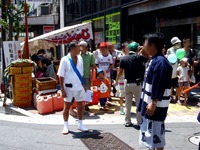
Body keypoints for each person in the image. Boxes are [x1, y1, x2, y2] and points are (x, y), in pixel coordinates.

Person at [138, 32, 172, 150]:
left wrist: (154, 103)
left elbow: (159, 85)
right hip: (150, 102)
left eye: (145, 43)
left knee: (157, 134)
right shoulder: (154, 59)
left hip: (155, 104)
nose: (143, 45)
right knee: (151, 133)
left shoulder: (160, 62)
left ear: (152, 45)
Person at [57, 41, 88, 135]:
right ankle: (66, 125)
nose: (80, 49)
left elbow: (81, 73)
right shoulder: (64, 59)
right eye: (78, 47)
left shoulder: (80, 58)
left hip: (79, 86)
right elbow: (60, 76)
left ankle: (80, 124)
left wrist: (83, 84)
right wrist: (62, 89)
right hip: (68, 87)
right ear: (72, 49)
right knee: (66, 107)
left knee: (80, 105)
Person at [116, 41, 148, 127]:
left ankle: (127, 121)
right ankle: (139, 121)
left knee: (128, 103)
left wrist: (116, 80)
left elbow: (120, 71)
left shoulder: (123, 58)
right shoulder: (139, 57)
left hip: (127, 83)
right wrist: (143, 51)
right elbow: (147, 58)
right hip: (137, 83)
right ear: (137, 49)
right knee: (138, 103)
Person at [79, 41, 95, 111]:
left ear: (85, 47)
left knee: (88, 90)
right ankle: (80, 104)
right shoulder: (78, 55)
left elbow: (93, 65)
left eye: (81, 46)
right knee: (79, 90)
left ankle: (86, 105)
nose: (80, 47)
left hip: (87, 75)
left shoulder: (90, 55)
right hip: (79, 76)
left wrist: (92, 75)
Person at [115, 42, 129, 115]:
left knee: (128, 93)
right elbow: (119, 70)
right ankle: (121, 108)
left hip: (129, 77)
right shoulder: (121, 56)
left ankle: (127, 108)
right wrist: (116, 80)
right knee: (121, 93)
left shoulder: (130, 55)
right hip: (122, 77)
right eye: (127, 47)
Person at [166, 37, 182, 103]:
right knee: (171, 85)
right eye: (178, 43)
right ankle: (170, 96)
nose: (179, 44)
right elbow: (168, 58)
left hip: (178, 70)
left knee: (178, 85)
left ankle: (177, 97)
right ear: (174, 43)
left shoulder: (180, 50)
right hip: (171, 69)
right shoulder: (169, 50)